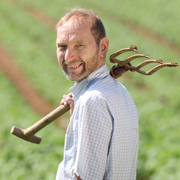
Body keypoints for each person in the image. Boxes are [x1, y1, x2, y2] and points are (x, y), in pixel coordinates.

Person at [55, 8, 139, 180]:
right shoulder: (119, 92)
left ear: (103, 47)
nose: (68, 57)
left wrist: (85, 106)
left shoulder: (92, 101)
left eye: (79, 45)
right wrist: (77, 117)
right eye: (62, 47)